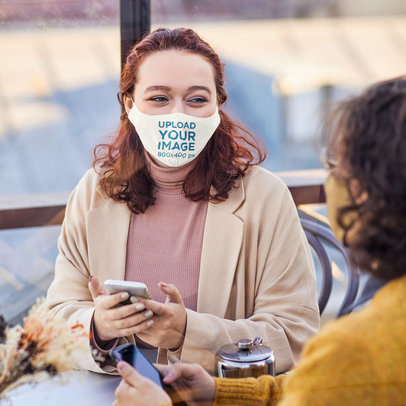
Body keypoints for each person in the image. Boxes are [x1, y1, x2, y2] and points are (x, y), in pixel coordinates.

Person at [112, 76, 406, 405]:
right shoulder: (354, 358)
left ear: (366, 193)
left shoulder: (356, 350)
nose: (177, 115)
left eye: (336, 168)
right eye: (159, 99)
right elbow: (323, 388)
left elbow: (329, 370)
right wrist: (220, 393)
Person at [45, 27, 319, 374]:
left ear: (218, 106)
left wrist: (189, 334)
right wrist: (98, 326)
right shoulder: (94, 191)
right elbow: (54, 319)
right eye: (159, 98)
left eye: (197, 99)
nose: (178, 114)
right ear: (130, 105)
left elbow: (295, 334)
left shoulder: (266, 197)